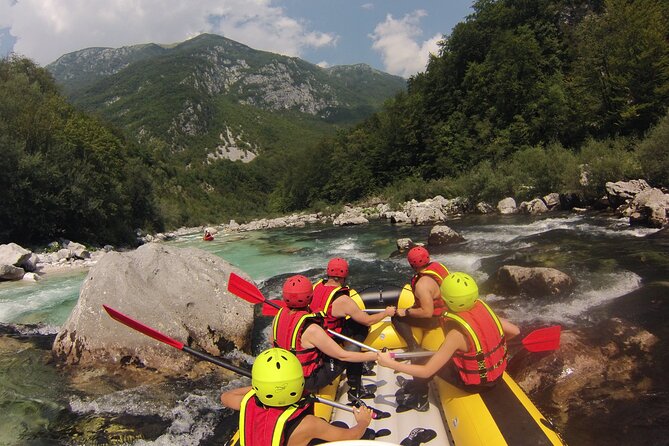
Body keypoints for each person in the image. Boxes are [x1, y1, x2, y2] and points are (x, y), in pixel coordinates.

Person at [377, 272, 520, 403]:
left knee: (422, 358)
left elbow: (427, 371)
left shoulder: (456, 335)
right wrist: (487, 348)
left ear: (446, 300)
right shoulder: (487, 313)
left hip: (476, 385)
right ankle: (414, 386)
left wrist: (390, 363)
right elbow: (515, 331)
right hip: (497, 375)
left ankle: (420, 398)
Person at [220, 347, 374, 446]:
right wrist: (363, 422)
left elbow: (226, 396)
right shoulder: (309, 424)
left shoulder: (245, 404)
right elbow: (350, 436)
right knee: (341, 426)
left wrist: (263, 387)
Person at [270, 275, 379, 397]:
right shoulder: (312, 329)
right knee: (351, 349)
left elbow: (274, 346)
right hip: (309, 381)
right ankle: (356, 391)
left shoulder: (277, 318)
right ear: (310, 297)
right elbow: (343, 356)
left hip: (287, 375)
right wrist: (376, 356)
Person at [310, 258, 395, 401]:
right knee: (361, 328)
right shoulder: (342, 300)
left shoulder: (315, 287)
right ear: (345, 275)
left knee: (356, 326)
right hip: (329, 339)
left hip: (318, 334)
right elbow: (367, 320)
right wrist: (386, 313)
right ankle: (355, 387)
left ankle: (357, 365)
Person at [390, 246, 449, 409]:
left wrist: (406, 311)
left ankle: (420, 398)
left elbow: (426, 312)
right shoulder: (438, 267)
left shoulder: (422, 284)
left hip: (434, 319)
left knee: (396, 316)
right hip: (443, 313)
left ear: (411, 265)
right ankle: (413, 349)